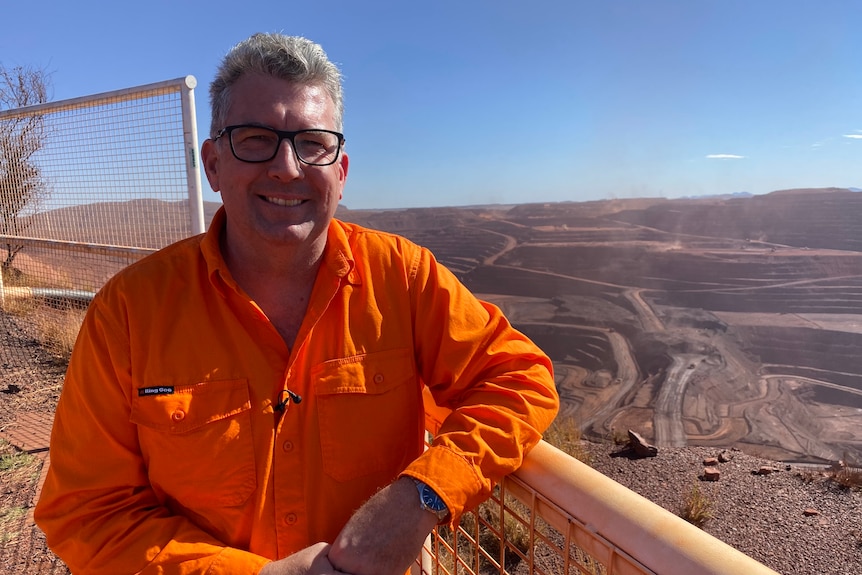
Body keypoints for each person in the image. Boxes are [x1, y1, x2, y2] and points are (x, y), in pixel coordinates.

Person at [34, 32, 559, 575]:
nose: (287, 167)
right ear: (212, 164)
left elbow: (519, 377)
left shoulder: (402, 277)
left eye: (312, 143)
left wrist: (421, 496)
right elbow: (86, 511)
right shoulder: (129, 312)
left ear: (341, 171)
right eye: (256, 139)